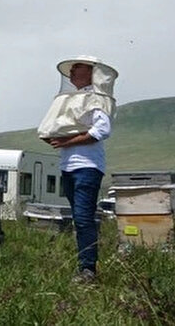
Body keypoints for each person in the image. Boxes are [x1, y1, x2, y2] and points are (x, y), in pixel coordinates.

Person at [37, 56, 119, 282]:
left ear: (91, 72)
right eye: (71, 69)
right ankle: (86, 264)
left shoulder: (97, 100)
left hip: (87, 167)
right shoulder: (70, 102)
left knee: (83, 219)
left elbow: (101, 131)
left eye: (77, 68)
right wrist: (58, 141)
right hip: (68, 168)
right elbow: (50, 132)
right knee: (79, 218)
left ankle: (88, 269)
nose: (72, 71)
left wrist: (66, 142)